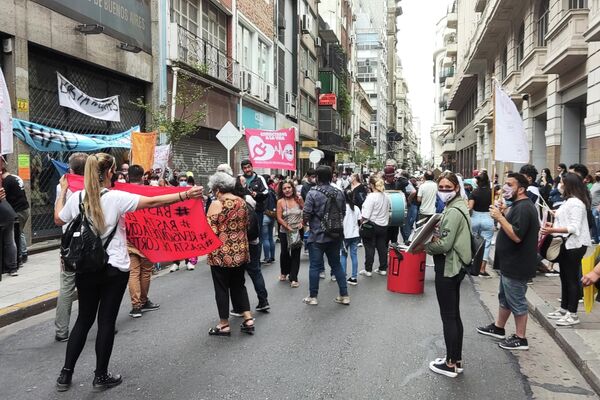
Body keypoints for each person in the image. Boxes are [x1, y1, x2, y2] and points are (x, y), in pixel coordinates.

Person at [53, 153, 203, 392]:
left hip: (86, 268)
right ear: (110, 172)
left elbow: (58, 219)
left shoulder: (78, 197)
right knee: (105, 321)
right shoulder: (116, 198)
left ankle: (65, 374)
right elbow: (153, 202)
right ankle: (100, 376)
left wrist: (62, 192)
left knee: (83, 319)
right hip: (114, 268)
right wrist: (185, 194)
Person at [415, 172, 471, 378]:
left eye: (448, 187)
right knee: (454, 315)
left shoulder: (454, 210)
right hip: (455, 266)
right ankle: (455, 359)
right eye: (442, 187)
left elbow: (445, 244)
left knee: (449, 316)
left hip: (449, 267)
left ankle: (450, 364)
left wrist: (424, 246)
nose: (444, 191)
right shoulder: (457, 206)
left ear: (456, 188)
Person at [477, 173, 540, 351]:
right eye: (504, 184)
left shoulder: (524, 208)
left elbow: (517, 236)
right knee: (505, 298)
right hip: (509, 262)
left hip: (517, 264)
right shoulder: (517, 206)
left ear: (520, 189)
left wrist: (500, 217)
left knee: (516, 300)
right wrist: (504, 212)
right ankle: (499, 327)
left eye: (510, 184)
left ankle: (521, 338)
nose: (505, 188)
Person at [205, 172, 255, 335]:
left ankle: (223, 324)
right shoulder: (241, 202)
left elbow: (209, 230)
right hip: (240, 250)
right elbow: (247, 224)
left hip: (221, 253)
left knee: (221, 288)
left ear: (218, 189)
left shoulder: (216, 204)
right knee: (239, 284)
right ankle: (248, 319)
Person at [542, 173, 591, 326]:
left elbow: (574, 227)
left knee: (571, 279)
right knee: (564, 276)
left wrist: (552, 231)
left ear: (569, 185)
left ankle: (573, 313)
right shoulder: (570, 201)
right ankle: (564, 309)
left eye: (562, 183)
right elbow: (567, 220)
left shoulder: (576, 203)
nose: (560, 185)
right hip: (567, 244)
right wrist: (554, 225)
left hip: (574, 245)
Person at [302, 165, 349, 306]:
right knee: (336, 265)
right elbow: (343, 212)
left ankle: (313, 296)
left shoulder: (313, 192)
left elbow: (306, 214)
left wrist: (309, 223)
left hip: (317, 235)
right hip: (335, 234)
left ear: (317, 177)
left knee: (315, 266)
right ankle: (344, 295)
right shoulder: (339, 192)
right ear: (330, 177)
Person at [54, 153, 88, 341]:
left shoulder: (63, 187)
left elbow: (58, 217)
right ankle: (100, 323)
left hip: (70, 243)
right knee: (93, 283)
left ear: (71, 169)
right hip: (93, 241)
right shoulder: (95, 187)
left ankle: (62, 331)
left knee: (67, 286)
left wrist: (63, 191)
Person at [126, 165, 160, 318]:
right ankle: (144, 300)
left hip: (129, 237)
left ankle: (136, 305)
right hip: (147, 237)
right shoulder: (149, 192)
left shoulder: (121, 192)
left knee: (133, 272)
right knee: (146, 271)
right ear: (142, 177)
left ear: (128, 176)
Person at [232, 175, 270, 313]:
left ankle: (240, 308)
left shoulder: (232, 203)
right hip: (253, 241)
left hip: (239, 243)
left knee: (237, 276)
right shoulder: (248, 199)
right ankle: (263, 301)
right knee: (255, 271)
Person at [1, 156, 30, 266]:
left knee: (17, 233)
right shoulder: (15, 177)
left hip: (18, 210)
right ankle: (22, 253)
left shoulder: (6, 182)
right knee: (19, 231)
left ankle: (22, 254)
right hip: (24, 208)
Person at [359, 177, 390, 277]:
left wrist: (361, 223)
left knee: (369, 247)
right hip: (383, 225)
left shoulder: (371, 197)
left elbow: (365, 215)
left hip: (371, 225)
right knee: (382, 247)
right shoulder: (385, 196)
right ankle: (383, 268)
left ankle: (368, 270)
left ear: (372, 185)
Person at [276, 179, 304, 287]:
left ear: (293, 188)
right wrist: (287, 227)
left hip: (297, 230)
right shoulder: (280, 202)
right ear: (282, 190)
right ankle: (284, 272)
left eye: (289, 187)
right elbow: (279, 217)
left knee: (296, 254)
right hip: (285, 231)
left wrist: (302, 222)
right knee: (284, 253)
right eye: (284, 188)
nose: (287, 190)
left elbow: (305, 210)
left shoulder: (299, 199)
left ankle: (294, 278)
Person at [468, 172, 494, 277]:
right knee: (486, 244)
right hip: (488, 218)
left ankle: (472, 264)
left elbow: (470, 207)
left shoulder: (474, 192)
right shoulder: (491, 192)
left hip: (475, 217)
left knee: (473, 242)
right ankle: (482, 269)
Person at [340, 191, 361, 286]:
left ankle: (343, 276)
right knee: (354, 256)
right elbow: (360, 220)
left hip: (344, 235)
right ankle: (354, 277)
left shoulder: (341, 208)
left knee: (343, 256)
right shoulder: (356, 208)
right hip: (355, 235)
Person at [261, 174, 277, 264]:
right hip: (272, 215)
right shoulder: (272, 190)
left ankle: (267, 258)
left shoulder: (263, 191)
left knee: (265, 238)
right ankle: (272, 257)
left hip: (264, 216)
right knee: (271, 237)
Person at [591, 171, 600, 244]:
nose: (597, 176)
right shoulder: (594, 184)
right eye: (596, 174)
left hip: (597, 207)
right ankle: (595, 239)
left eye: (598, 175)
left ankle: (598, 239)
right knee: (594, 224)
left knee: (597, 224)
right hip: (591, 206)